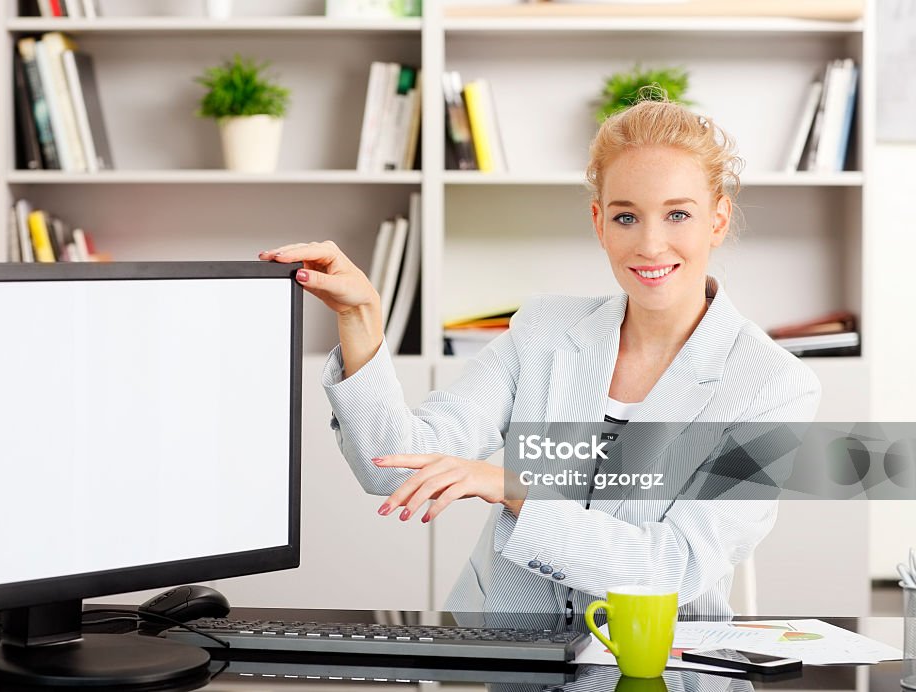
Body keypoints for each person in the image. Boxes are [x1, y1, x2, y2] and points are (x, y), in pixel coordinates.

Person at [258, 96, 821, 618]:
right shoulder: (544, 330)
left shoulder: (772, 386)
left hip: (659, 665)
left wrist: (512, 489)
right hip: (503, 652)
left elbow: (667, 570)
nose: (650, 244)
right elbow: (395, 465)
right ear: (599, 223)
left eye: (678, 215)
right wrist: (361, 319)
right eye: (626, 216)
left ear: (717, 219)